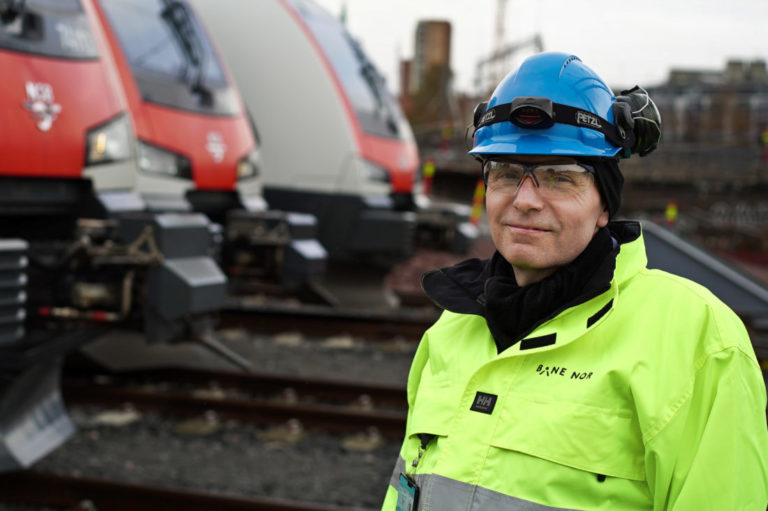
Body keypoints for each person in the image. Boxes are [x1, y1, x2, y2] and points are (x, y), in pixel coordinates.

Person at [381, 52, 768, 511]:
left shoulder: (697, 340)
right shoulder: (452, 328)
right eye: (506, 174)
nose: (525, 201)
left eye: (559, 179)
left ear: (604, 205)